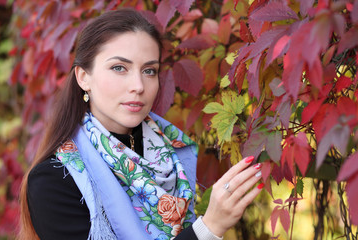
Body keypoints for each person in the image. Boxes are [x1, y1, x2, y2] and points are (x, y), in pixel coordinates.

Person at [19, 8, 264, 240]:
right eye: (119, 68)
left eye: (149, 71)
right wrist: (209, 228)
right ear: (84, 77)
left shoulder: (174, 155)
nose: (138, 85)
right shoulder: (54, 180)